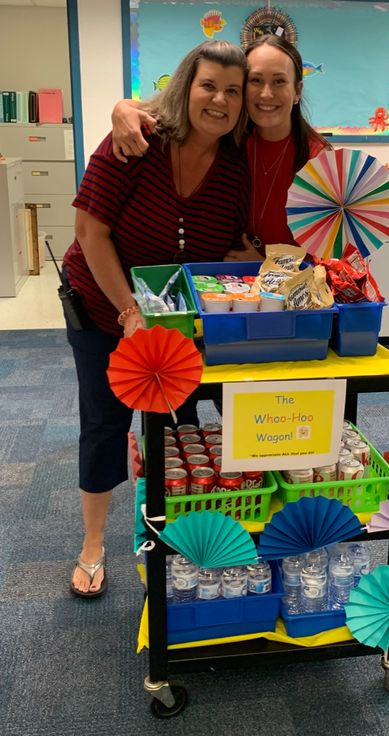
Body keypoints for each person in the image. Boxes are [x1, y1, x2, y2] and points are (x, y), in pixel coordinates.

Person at [64, 40, 249, 598]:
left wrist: (245, 259)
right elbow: (89, 234)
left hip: (174, 322)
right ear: (186, 86)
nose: (220, 100)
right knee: (104, 422)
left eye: (233, 92)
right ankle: (93, 544)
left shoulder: (236, 166)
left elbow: (215, 247)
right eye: (209, 85)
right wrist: (127, 311)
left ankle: (178, 537)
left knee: (178, 427)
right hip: (101, 305)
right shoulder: (134, 140)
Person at [111, 34, 331, 259]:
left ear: (298, 90)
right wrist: (123, 108)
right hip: (222, 286)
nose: (266, 93)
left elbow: (331, 263)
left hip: (291, 291)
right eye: (255, 80)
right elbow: (172, 109)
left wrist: (264, 266)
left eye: (279, 81)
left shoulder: (322, 163)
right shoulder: (228, 136)